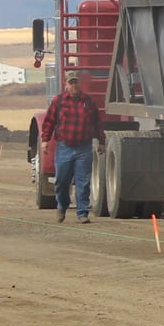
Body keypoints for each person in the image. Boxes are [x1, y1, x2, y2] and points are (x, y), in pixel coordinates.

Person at [39, 71, 105, 224]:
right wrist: (45, 140)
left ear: (79, 84)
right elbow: (49, 122)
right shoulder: (59, 101)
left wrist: (101, 141)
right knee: (62, 181)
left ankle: (82, 213)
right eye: (71, 82)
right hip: (64, 147)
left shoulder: (88, 101)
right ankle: (62, 205)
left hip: (84, 147)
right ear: (66, 85)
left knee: (83, 182)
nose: (74, 85)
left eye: (76, 82)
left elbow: (97, 122)